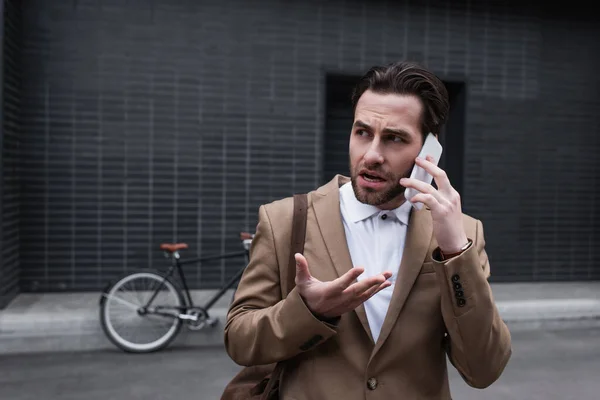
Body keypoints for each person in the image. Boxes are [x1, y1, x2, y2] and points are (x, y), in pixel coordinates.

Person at [223, 61, 512, 399]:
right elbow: (239, 341)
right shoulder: (285, 220)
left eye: (394, 139)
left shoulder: (462, 234)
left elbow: (484, 369)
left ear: (428, 153)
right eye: (363, 133)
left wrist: (454, 253)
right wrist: (308, 311)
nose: (372, 155)